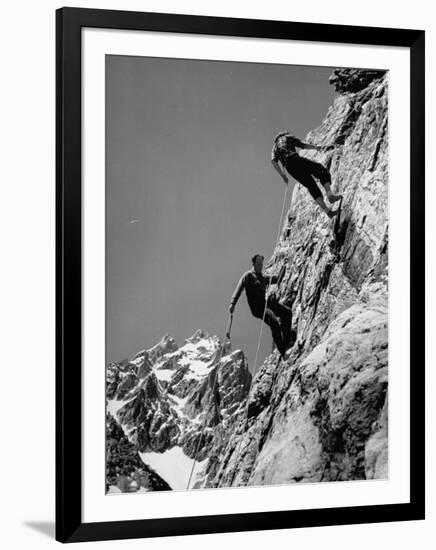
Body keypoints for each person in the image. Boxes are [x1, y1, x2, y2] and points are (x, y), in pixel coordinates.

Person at [229, 254, 296, 360]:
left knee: (287, 312)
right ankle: (283, 352)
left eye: (261, 264)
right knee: (274, 321)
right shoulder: (248, 276)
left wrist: (284, 265)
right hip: (257, 308)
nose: (260, 266)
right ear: (254, 264)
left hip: (265, 303)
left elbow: (278, 279)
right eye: (258, 264)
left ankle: (287, 339)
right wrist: (233, 303)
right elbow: (239, 288)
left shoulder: (263, 278)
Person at [271, 131, 342, 218]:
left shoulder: (274, 148)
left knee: (311, 186)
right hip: (295, 159)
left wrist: (283, 176)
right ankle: (330, 195)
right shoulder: (287, 137)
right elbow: (303, 145)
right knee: (320, 169)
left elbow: (274, 162)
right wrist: (316, 148)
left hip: (290, 169)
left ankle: (328, 211)